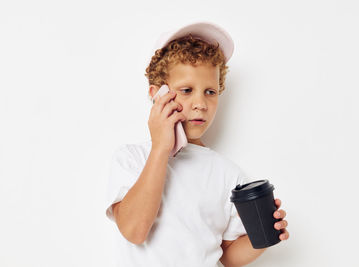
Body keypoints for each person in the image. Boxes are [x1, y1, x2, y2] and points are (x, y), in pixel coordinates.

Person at [105, 21, 289, 267]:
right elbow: (134, 231)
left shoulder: (228, 175)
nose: (200, 103)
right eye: (187, 90)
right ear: (157, 94)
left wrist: (264, 236)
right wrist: (161, 147)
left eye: (210, 92)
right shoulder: (132, 158)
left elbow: (227, 256)